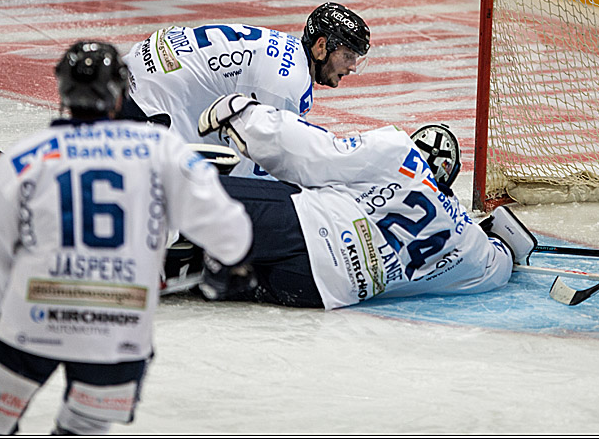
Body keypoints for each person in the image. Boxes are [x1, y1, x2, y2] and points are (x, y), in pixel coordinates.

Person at [0, 41, 253, 435]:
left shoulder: (25, 158)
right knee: (82, 429)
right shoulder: (163, 151)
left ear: (64, 93)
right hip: (119, 334)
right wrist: (225, 263)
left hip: (32, 322)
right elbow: (232, 233)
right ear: (120, 94)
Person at [161, 93, 537, 309]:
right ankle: (194, 263)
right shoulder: (471, 247)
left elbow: (315, 154)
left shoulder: (397, 153)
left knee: (182, 190)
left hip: (305, 229)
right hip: (312, 290)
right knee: (209, 270)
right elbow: (498, 266)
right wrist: (499, 242)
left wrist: (248, 118)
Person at [118, 2, 370, 178]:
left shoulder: (289, 52)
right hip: (148, 99)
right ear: (321, 46)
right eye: (348, 55)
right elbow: (253, 168)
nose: (352, 67)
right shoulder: (288, 83)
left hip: (141, 67)